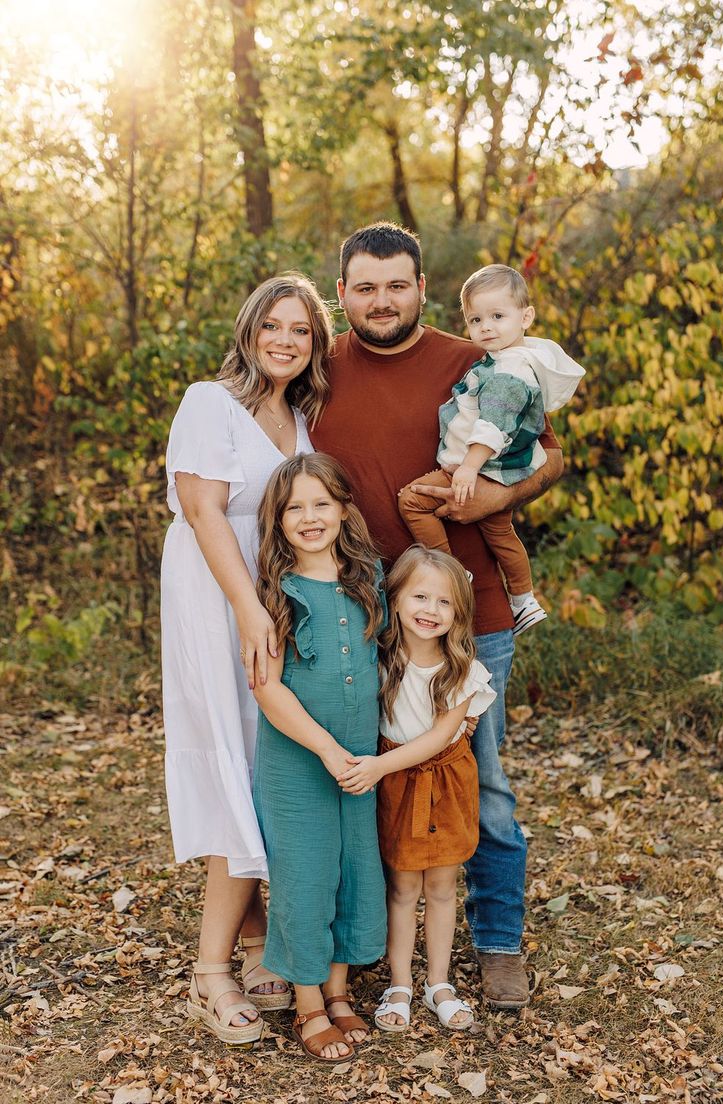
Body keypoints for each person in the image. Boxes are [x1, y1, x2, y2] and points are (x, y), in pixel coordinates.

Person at [310, 222, 565, 1009]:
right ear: (342, 292)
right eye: (365, 286)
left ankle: (496, 945)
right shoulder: (316, 373)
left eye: (397, 284)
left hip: (471, 615)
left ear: (422, 288)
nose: (381, 300)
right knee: (361, 777)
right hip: (358, 619)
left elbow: (552, 456)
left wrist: (494, 495)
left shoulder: (477, 360)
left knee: (476, 778)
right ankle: (364, 949)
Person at [160, 274, 332, 1044]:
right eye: (275, 325)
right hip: (215, 592)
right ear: (250, 329)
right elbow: (201, 510)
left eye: (301, 329)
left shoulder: (298, 416)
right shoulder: (210, 401)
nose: (286, 340)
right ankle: (209, 973)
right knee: (233, 754)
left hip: (267, 600)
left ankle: (260, 940)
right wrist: (248, 608)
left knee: (264, 756)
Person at [252, 453, 387, 1063]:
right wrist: (329, 750)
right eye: (294, 508)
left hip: (362, 758)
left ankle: (338, 991)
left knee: (355, 869)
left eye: (321, 504)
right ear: (278, 522)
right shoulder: (274, 593)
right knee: (306, 876)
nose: (309, 517)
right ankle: (308, 1003)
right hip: (300, 760)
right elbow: (268, 687)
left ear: (342, 509)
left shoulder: (368, 578)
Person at [339, 547, 496, 1032]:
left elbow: (435, 738)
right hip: (396, 785)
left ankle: (440, 983)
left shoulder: (461, 669)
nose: (431, 610)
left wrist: (377, 766)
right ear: (396, 599)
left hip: (445, 781)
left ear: (459, 612)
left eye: (445, 602)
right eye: (420, 596)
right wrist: (380, 768)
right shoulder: (377, 658)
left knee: (443, 886)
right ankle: (401, 983)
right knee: (404, 886)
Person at [398, 263, 585, 636]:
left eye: (498, 316)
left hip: (478, 469)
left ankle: (451, 572)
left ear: (526, 316)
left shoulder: (509, 371)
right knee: (500, 534)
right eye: (476, 319)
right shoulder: (499, 360)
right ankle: (525, 600)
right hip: (491, 469)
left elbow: (493, 425)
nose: (486, 327)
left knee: (412, 501)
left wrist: (468, 468)